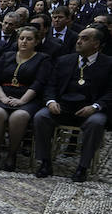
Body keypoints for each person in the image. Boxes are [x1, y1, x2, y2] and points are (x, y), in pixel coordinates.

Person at [34, 25, 111, 182]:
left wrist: (95, 107)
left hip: (91, 110)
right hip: (63, 108)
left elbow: (110, 93)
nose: (79, 41)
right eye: (79, 38)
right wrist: (50, 101)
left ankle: (83, 166)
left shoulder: (108, 64)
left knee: (96, 123)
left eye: (85, 38)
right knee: (40, 117)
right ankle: (45, 162)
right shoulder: (64, 60)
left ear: (96, 44)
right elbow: (51, 85)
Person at [0, 25, 51, 171]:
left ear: (36, 41)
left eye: (29, 39)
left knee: (18, 116)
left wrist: (22, 101)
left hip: (28, 98)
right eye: (21, 38)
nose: (24, 42)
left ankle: (12, 154)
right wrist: (3, 98)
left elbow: (38, 83)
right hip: (3, 95)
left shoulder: (42, 59)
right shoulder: (6, 55)